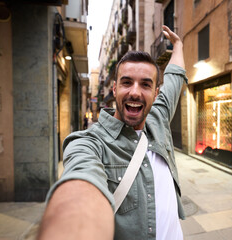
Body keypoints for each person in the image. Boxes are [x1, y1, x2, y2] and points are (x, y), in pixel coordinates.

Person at [38, 25, 187, 240]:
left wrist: (178, 45)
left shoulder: (158, 119)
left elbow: (175, 77)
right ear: (114, 88)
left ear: (155, 93)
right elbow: (81, 182)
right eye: (127, 82)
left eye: (145, 85)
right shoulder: (89, 142)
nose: (135, 92)